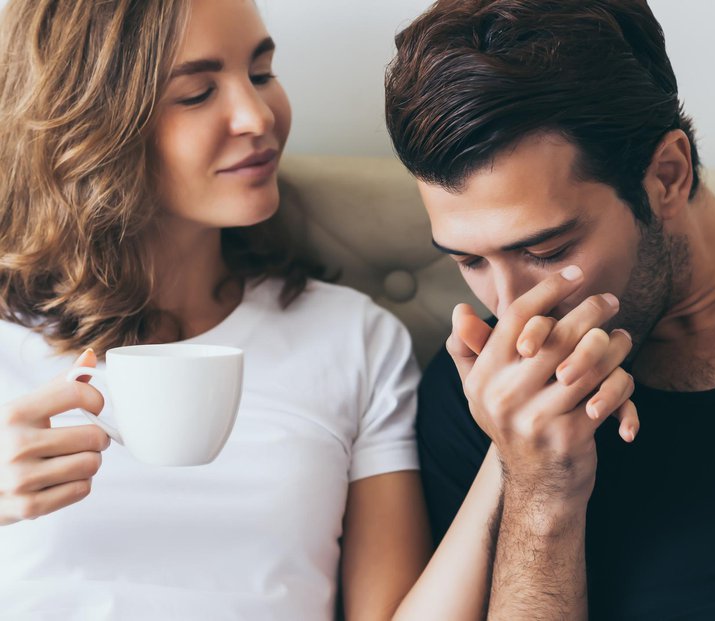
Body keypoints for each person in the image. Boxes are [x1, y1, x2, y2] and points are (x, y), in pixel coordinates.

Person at [384, 0, 715, 619]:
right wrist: (539, 486)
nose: (512, 312)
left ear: (667, 175)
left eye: (546, 249)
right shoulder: (484, 400)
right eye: (469, 262)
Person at [0, 0, 510, 619]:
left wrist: (518, 461)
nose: (257, 115)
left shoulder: (351, 338)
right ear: (90, 124)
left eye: (262, 74)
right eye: (196, 93)